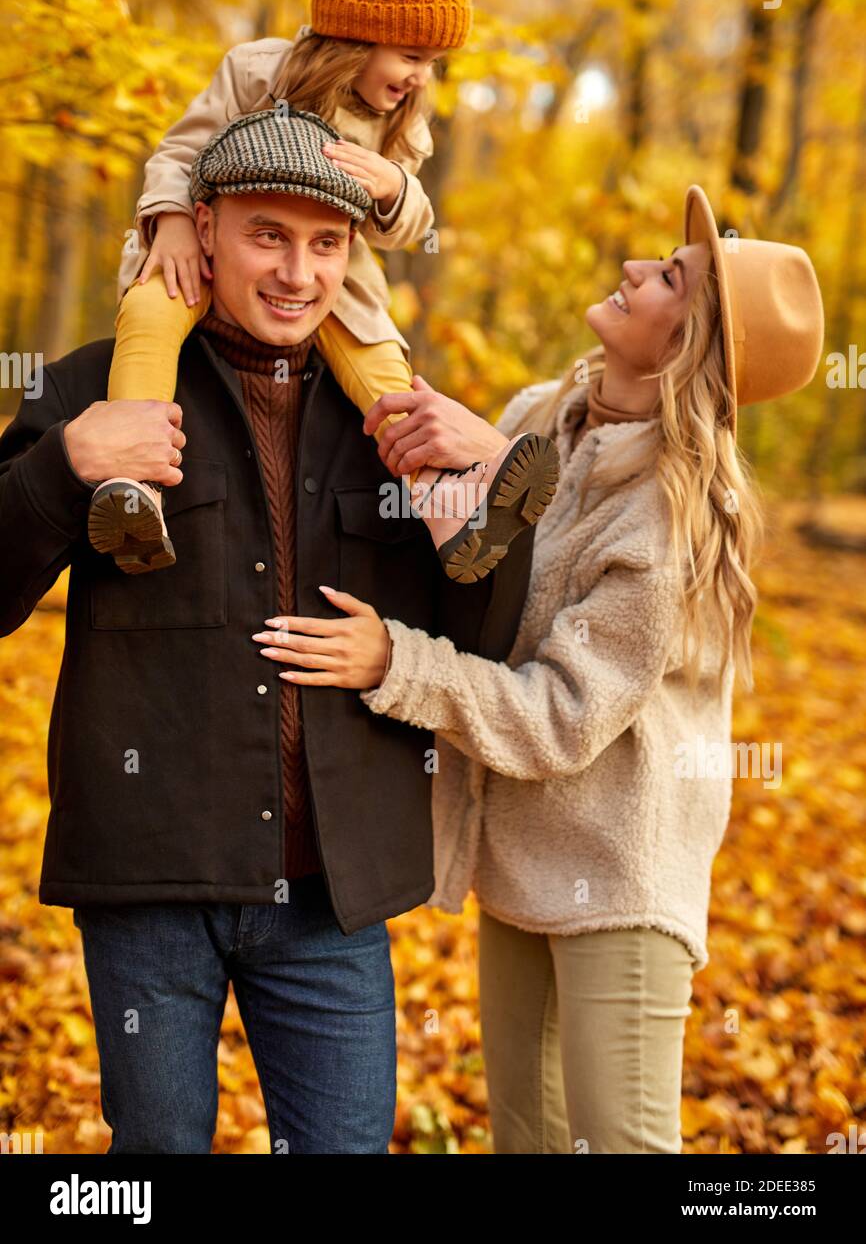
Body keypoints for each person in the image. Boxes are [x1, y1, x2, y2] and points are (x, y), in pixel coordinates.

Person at [0, 108, 535, 1154]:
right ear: (202, 227)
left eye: (326, 243)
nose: (298, 272)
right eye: (267, 235)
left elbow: (490, 633)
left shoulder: (395, 419)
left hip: (334, 898)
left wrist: (487, 484)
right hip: (149, 881)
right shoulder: (96, 383)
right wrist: (63, 463)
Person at [254, 184, 825, 1153]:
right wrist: (469, 460)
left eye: (666, 280)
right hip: (520, 860)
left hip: (620, 876)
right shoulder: (542, 417)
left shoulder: (666, 519)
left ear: (685, 345)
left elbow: (558, 713)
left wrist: (394, 662)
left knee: (621, 1143)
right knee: (526, 1136)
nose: (634, 269)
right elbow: (502, 584)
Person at [89, 0, 559, 581]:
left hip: (328, 275)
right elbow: (180, 151)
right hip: (214, 249)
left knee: (380, 366)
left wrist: (394, 189)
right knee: (150, 315)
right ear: (355, 32)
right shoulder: (258, 72)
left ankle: (444, 505)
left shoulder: (404, 127)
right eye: (410, 55)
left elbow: (410, 223)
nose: (418, 79)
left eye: (433, 63)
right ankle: (132, 488)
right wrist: (173, 221)